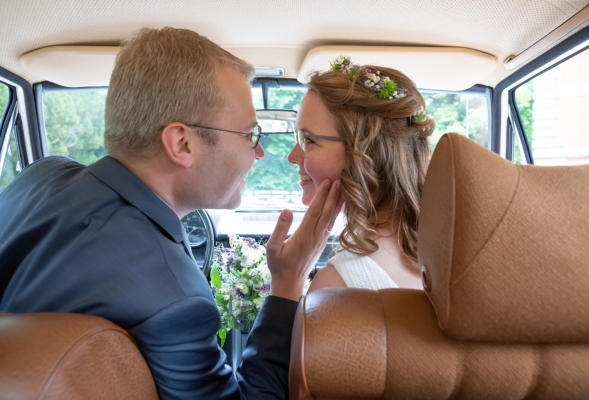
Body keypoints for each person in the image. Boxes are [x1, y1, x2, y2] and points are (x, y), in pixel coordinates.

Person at [0, 28, 342, 399]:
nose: (257, 154)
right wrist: (287, 287)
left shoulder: (40, 177)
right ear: (182, 143)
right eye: (249, 134)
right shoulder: (175, 299)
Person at [287, 56, 434, 291]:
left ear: (364, 152)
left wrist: (287, 283)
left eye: (309, 140)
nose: (292, 156)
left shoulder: (337, 285)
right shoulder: (440, 251)